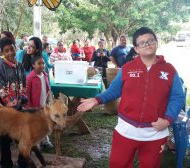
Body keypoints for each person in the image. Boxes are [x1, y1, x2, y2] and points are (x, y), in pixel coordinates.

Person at [77, 27, 185, 168]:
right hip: (125, 130)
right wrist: (96, 100)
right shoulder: (127, 68)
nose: (147, 44)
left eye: (151, 40)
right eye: (142, 42)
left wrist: (168, 120)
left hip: (155, 133)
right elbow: (114, 91)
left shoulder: (169, 70)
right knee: (118, 164)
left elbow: (177, 97)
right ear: (136, 48)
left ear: (156, 43)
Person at [0, 37, 28, 168]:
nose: (10, 53)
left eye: (12, 49)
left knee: (22, 136)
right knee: (5, 139)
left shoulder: (19, 65)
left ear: (15, 48)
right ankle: (6, 164)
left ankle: (22, 162)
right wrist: (12, 105)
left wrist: (23, 99)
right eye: (6, 51)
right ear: (2, 52)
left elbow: (23, 83)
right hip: (6, 111)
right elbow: (0, 88)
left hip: (19, 109)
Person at [26, 56, 54, 148]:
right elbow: (27, 93)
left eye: (43, 63)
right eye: (39, 63)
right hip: (35, 106)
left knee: (45, 122)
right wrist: (29, 106)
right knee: (36, 125)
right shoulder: (30, 77)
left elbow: (48, 88)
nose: (42, 65)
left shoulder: (45, 75)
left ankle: (45, 140)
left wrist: (50, 98)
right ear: (33, 65)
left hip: (45, 105)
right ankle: (36, 143)